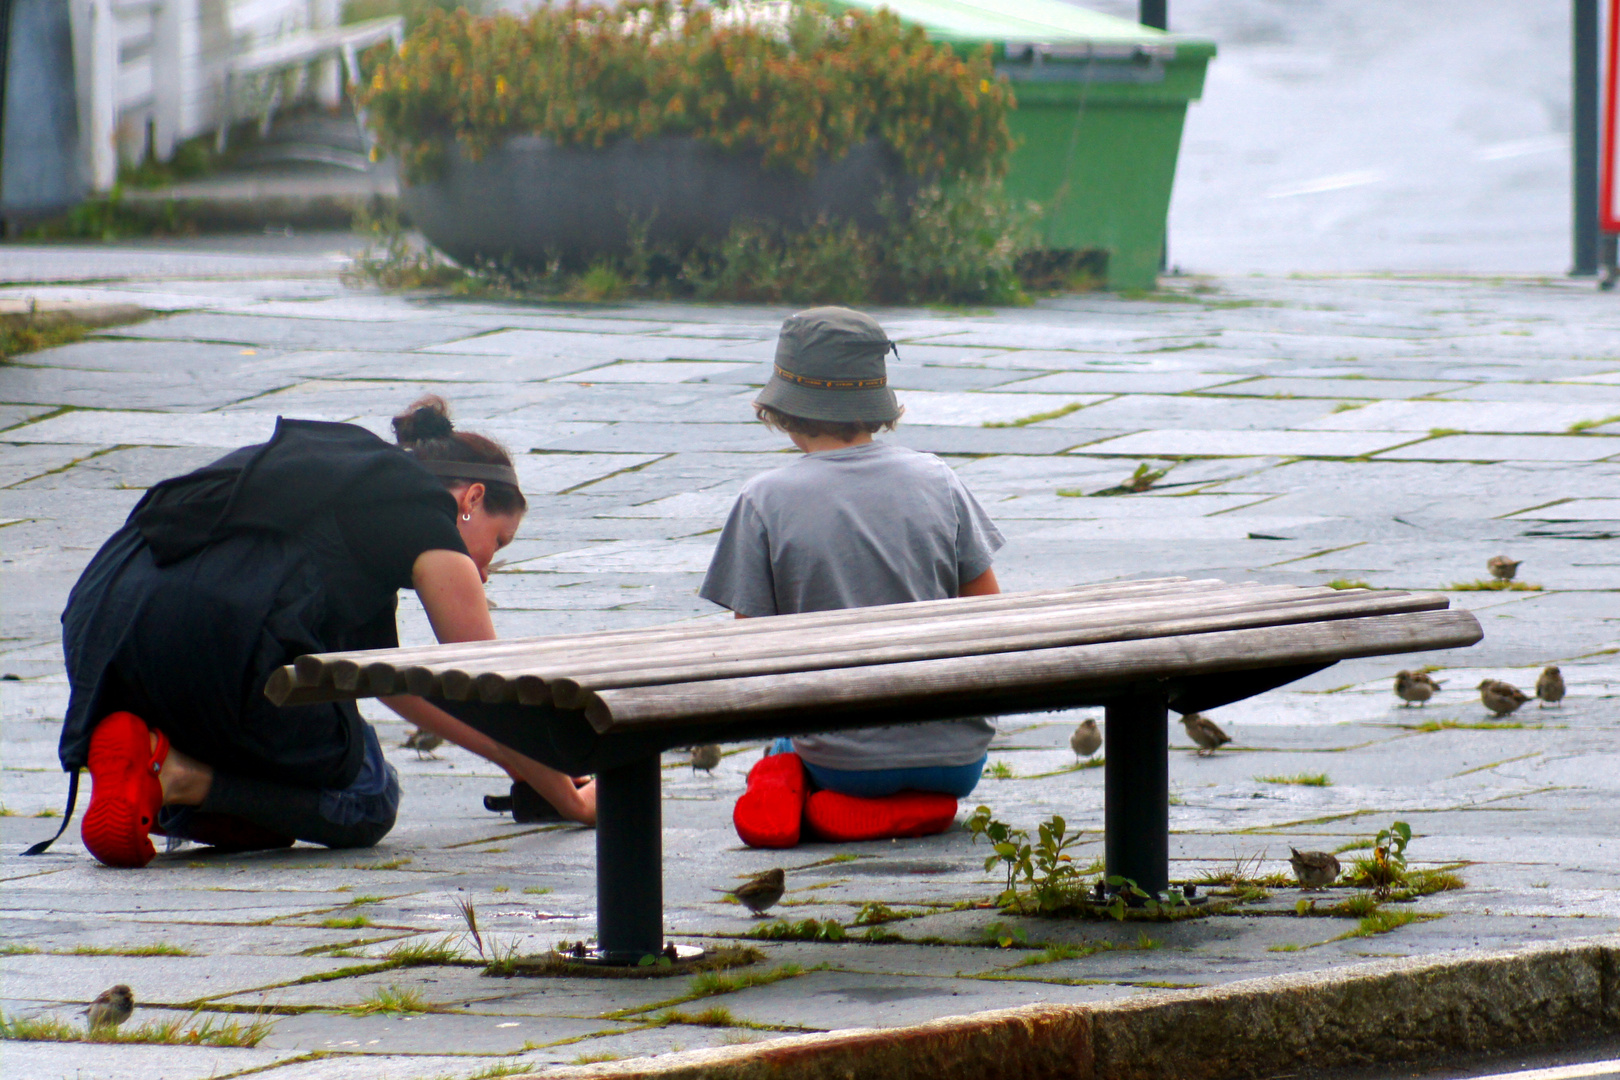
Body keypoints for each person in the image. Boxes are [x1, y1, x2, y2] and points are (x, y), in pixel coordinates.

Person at [37, 396, 595, 869]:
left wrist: (518, 764)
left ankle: (150, 760)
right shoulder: (426, 513)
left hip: (102, 635)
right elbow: (490, 688)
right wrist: (572, 801)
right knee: (369, 792)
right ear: (472, 498)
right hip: (217, 641)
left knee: (313, 737)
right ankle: (181, 779)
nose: (484, 569)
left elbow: (396, 682)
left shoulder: (340, 485)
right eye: (498, 542)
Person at [698, 307, 1005, 848]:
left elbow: (750, 655)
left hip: (842, 762)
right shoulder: (939, 479)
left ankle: (795, 790)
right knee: (903, 762)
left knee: (782, 747)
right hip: (959, 759)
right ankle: (918, 808)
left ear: (783, 410)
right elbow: (989, 611)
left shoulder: (765, 500)